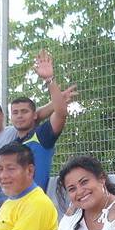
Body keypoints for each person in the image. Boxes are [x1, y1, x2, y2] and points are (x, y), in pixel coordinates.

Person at [10, 49, 78, 190]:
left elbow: (60, 113)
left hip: (35, 199)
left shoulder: (42, 135)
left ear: (35, 115)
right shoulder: (12, 144)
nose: (19, 115)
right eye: (15, 112)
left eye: (24, 111)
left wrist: (49, 80)